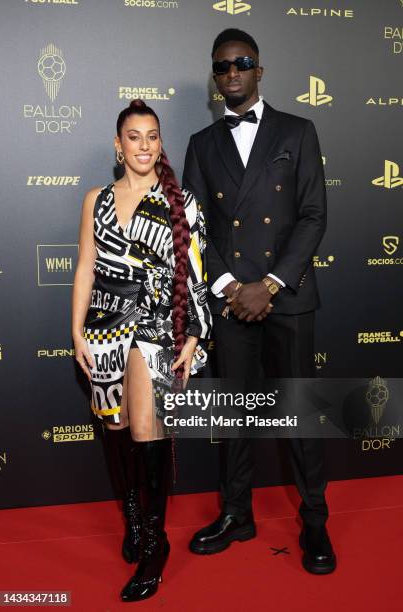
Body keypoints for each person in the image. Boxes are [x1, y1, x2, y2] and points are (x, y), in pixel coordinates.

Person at [183, 28, 336, 574]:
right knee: (233, 418)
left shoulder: (299, 130)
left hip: (285, 297)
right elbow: (194, 228)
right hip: (230, 303)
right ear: (215, 75)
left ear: (259, 70)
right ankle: (236, 514)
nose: (232, 74)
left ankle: (314, 519)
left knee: (300, 414)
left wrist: (268, 285)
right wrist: (229, 287)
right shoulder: (202, 144)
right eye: (222, 66)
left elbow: (314, 215)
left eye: (242, 63)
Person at [72, 99, 211, 602]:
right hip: (105, 324)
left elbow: (194, 276)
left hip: (157, 326)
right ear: (118, 144)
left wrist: (193, 335)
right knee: (116, 427)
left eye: (152, 136)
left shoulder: (182, 203)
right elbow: (86, 266)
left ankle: (155, 543)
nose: (144, 145)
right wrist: (76, 332)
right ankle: (132, 519)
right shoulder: (96, 200)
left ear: (160, 143)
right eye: (134, 137)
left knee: (149, 427)